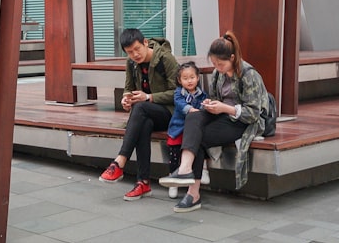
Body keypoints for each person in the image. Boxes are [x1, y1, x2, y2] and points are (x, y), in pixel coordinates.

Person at [159, 31, 268, 213]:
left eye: (221, 63)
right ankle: (185, 168)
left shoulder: (249, 74)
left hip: (244, 120)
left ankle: (193, 194)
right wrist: (209, 103)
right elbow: (216, 97)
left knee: (199, 137)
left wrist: (225, 108)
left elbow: (254, 113)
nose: (217, 67)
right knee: (193, 116)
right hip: (222, 115)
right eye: (214, 63)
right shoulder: (219, 73)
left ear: (232, 58)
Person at [98, 28, 179, 201]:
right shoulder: (131, 63)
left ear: (145, 43)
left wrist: (149, 97)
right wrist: (126, 99)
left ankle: (120, 161)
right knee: (144, 124)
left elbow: (178, 93)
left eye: (137, 49)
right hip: (147, 114)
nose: (135, 55)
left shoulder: (166, 59)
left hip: (171, 113)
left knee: (141, 108)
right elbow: (128, 88)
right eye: (129, 52)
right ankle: (143, 182)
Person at [164, 61, 207, 199]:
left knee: (199, 147)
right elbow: (180, 104)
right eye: (185, 78)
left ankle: (202, 171)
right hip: (178, 128)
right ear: (179, 80)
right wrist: (191, 110)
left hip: (193, 129)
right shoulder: (178, 93)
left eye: (192, 77)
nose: (189, 81)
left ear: (198, 77)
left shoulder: (202, 94)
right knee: (174, 156)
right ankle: (173, 181)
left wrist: (206, 106)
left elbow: (204, 107)